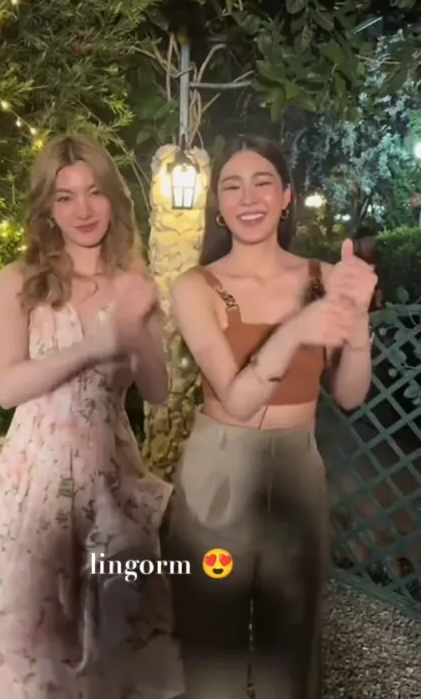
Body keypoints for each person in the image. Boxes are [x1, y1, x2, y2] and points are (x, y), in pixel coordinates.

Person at [0, 135, 182, 699]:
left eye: (94, 192)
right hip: (33, 485)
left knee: (113, 642)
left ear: (113, 199)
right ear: (48, 207)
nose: (83, 209)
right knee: (24, 639)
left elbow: (157, 390)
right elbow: (7, 387)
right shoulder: (20, 281)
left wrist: (140, 331)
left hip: (110, 479)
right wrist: (96, 344)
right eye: (66, 196)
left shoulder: (134, 284)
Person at [163, 134, 377, 699]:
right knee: (213, 638)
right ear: (218, 204)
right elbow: (237, 401)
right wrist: (297, 330)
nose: (248, 197)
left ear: (287, 196)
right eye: (232, 186)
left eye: (263, 182)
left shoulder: (324, 277)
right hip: (219, 471)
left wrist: (356, 325)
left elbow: (350, 394)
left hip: (298, 469)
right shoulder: (196, 286)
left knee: (293, 640)